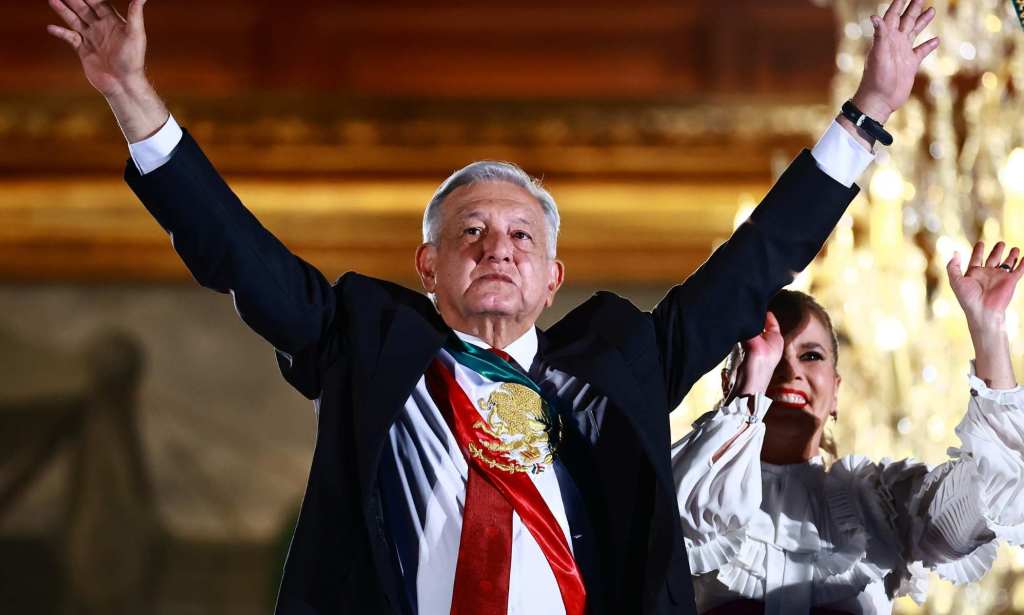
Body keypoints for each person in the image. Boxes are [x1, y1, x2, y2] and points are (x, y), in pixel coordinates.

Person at [44, 0, 938, 613]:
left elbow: (754, 264)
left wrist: (866, 113)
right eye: (471, 232)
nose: (497, 248)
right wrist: (130, 93)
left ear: (552, 279)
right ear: (428, 267)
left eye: (520, 236)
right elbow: (238, 254)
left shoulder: (621, 361)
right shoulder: (361, 342)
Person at [671, 241, 1024, 615]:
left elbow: (990, 495)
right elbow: (685, 520)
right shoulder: (695, 490)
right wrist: (749, 391)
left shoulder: (880, 505)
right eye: (772, 355)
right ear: (730, 381)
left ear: (836, 391)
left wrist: (988, 329)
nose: (790, 371)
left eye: (811, 355)